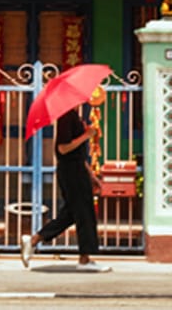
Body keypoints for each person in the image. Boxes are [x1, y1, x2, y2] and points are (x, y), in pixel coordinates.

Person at [20, 105, 108, 271]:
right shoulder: (66, 117)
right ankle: (84, 259)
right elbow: (63, 148)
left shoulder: (75, 116)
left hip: (78, 170)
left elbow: (80, 156)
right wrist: (86, 136)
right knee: (83, 212)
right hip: (70, 171)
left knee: (71, 213)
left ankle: (34, 240)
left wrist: (92, 177)